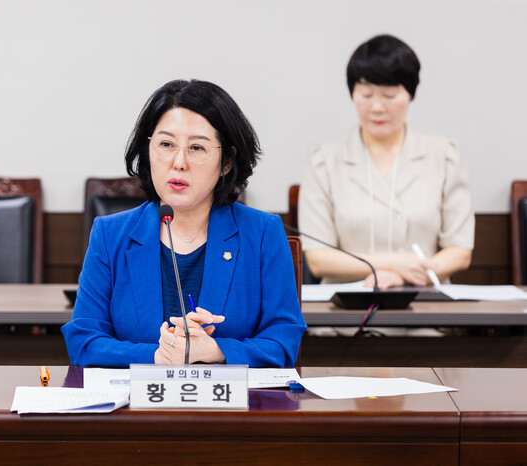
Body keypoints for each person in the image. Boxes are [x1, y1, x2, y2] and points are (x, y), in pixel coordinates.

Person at [63, 79, 306, 367]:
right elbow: (84, 341)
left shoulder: (263, 233)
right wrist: (157, 356)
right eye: (166, 144)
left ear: (227, 162)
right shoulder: (110, 235)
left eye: (197, 148)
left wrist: (216, 350)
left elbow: (283, 340)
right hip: (138, 396)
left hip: (229, 397)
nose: (179, 162)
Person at [299, 34, 474, 289]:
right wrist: (397, 263)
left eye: (390, 95)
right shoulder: (323, 160)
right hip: (345, 305)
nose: (377, 107)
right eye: (366, 94)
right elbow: (318, 259)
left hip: (424, 301)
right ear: (352, 93)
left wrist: (404, 276)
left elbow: (460, 251)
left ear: (410, 94)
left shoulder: (446, 155)